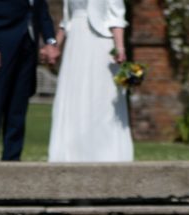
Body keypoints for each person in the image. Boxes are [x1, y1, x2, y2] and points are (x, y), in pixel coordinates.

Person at [47, 0, 133, 162]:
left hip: (100, 44)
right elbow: (66, 21)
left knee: (101, 98)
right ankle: (70, 153)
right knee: (74, 96)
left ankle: (105, 154)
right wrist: (54, 45)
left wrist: (120, 47)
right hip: (75, 44)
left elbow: (116, 17)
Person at [0, 0, 60, 161]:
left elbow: (42, 11)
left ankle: (12, 158)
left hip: (27, 46)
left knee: (18, 106)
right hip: (0, 46)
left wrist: (50, 41)